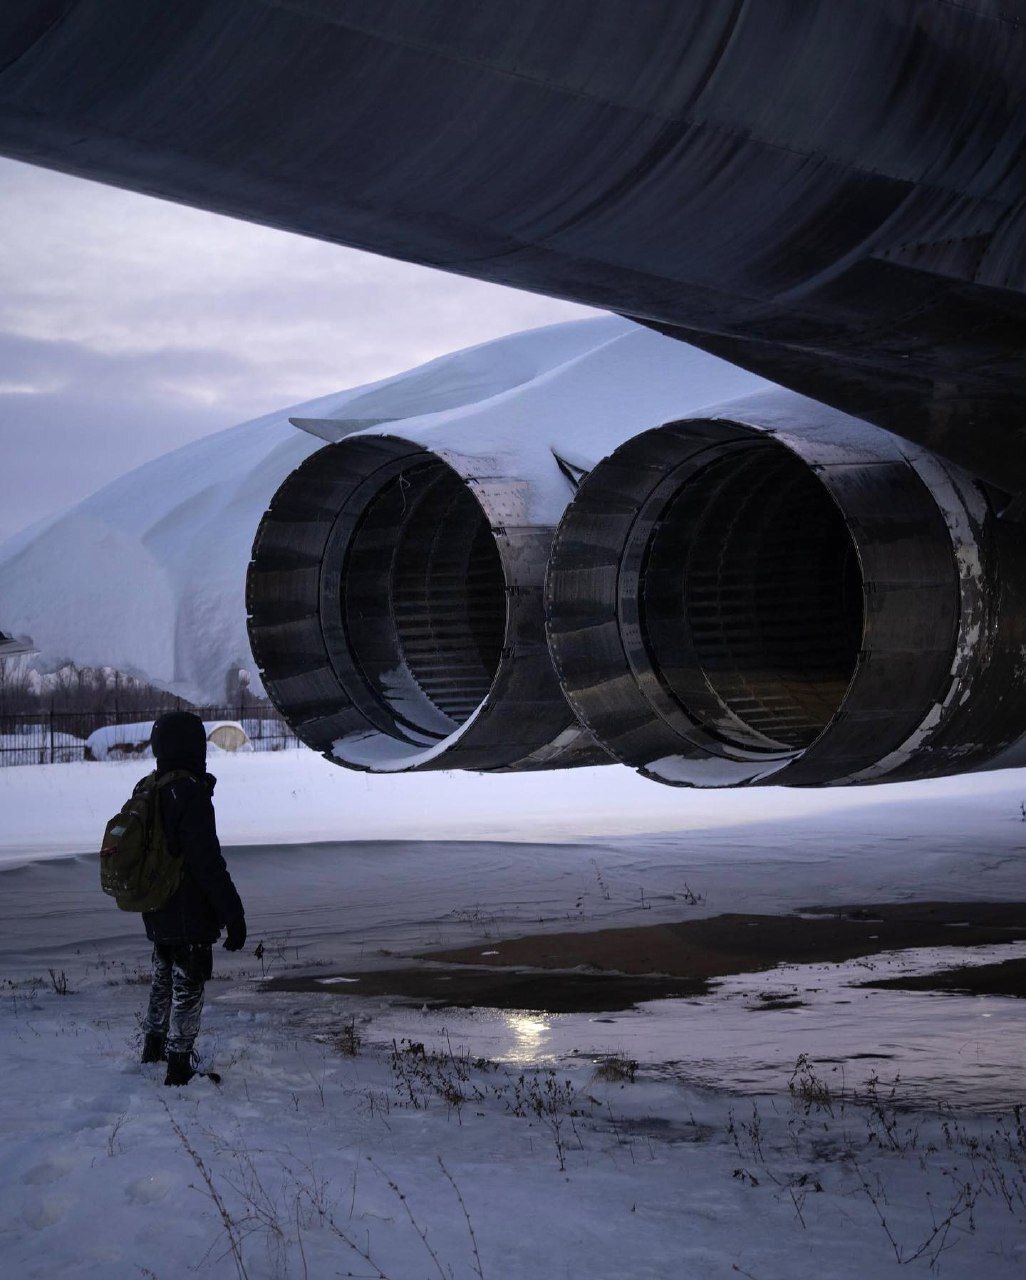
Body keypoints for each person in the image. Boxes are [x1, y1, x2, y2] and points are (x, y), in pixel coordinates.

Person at [139, 711, 246, 1086]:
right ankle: (179, 1063)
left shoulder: (150, 786)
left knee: (163, 976)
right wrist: (233, 913)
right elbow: (207, 862)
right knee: (189, 983)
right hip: (188, 908)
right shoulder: (189, 794)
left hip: (156, 905)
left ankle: (153, 1046)